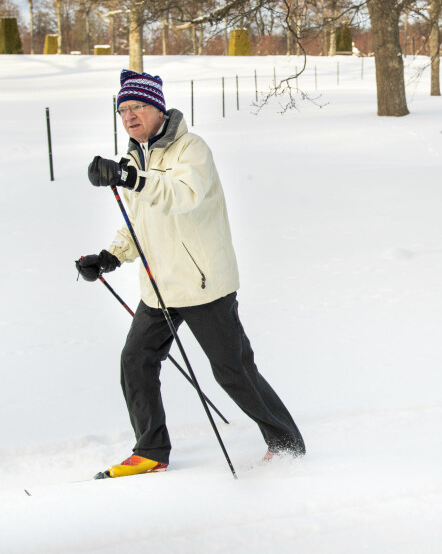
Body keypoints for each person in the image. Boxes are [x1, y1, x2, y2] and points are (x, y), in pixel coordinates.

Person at [76, 70, 305, 478]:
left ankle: (286, 442)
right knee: (136, 360)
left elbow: (182, 196)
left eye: (137, 107)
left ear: (158, 108)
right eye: (122, 109)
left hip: (203, 284)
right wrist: (110, 256)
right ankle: (150, 450)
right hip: (159, 286)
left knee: (233, 370)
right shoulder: (136, 157)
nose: (128, 116)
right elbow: (140, 219)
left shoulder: (191, 150)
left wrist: (129, 176)